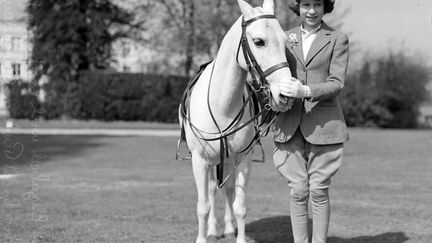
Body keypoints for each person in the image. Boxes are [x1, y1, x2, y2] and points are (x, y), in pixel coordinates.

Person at [272, 0, 349, 242]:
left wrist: (305, 91)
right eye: (306, 4)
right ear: (298, 7)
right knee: (298, 191)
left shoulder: (338, 38)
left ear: (326, 7)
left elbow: (337, 83)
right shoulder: (283, 37)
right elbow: (272, 76)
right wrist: (275, 97)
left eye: (318, 4)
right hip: (288, 123)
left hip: (324, 124)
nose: (312, 10)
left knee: (318, 191)